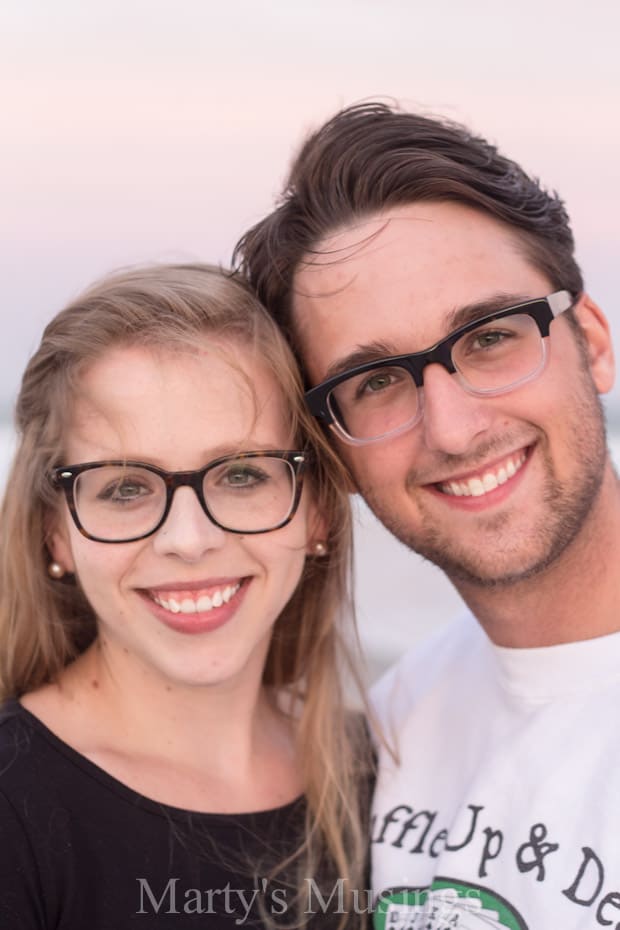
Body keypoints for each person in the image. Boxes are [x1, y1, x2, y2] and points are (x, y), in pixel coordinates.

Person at [234, 101, 620, 929]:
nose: (452, 428)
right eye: (374, 383)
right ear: (333, 450)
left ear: (590, 341)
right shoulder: (395, 723)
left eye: (487, 337)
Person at [0, 264, 374, 929]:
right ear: (55, 532)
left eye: (240, 474)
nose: (189, 538)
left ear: (316, 509)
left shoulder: (383, 781)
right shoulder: (15, 812)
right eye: (124, 487)